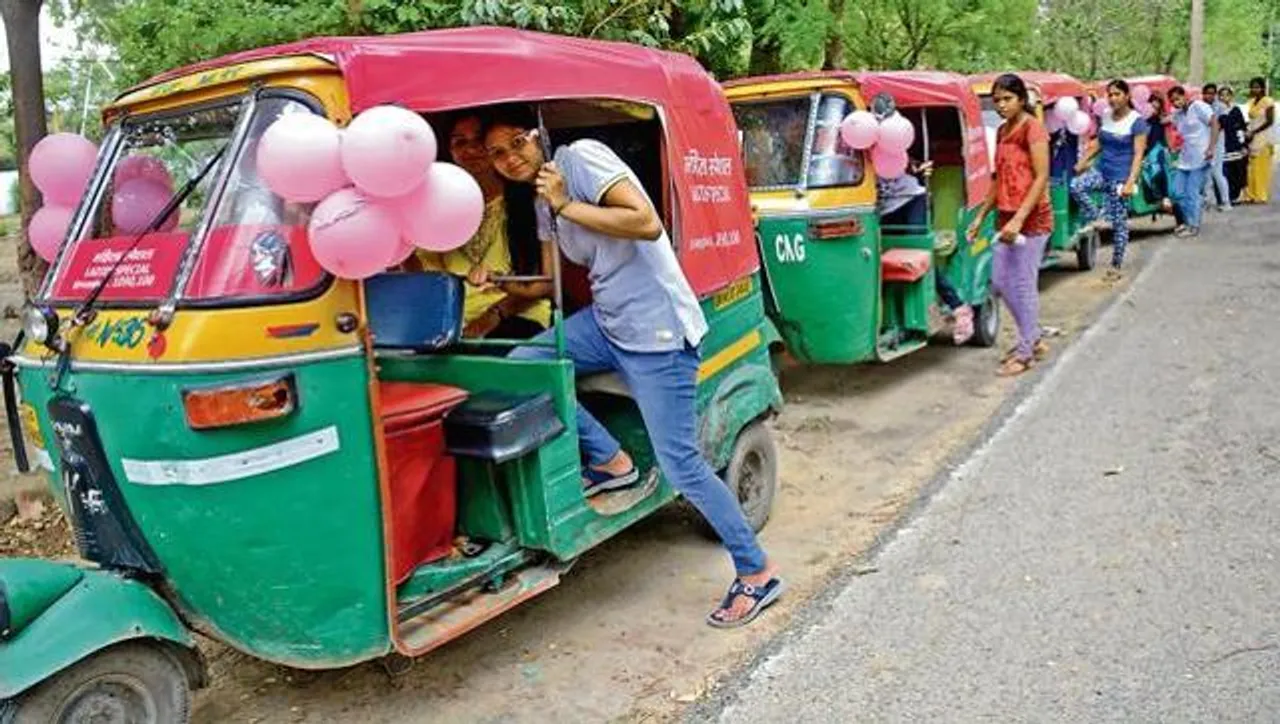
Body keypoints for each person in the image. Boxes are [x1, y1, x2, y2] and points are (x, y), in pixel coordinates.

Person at [484, 109, 783, 628]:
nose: (511, 158)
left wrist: (567, 203)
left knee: (682, 465)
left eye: (516, 143)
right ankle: (611, 460)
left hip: (657, 331)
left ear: (538, 136)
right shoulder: (543, 199)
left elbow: (645, 223)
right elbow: (550, 279)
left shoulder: (579, 160)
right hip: (607, 321)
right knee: (524, 365)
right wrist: (500, 286)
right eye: (497, 154)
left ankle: (757, 572)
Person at [413, 113, 552, 340]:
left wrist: (493, 315)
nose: (470, 150)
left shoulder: (529, 202)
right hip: (451, 324)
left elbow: (543, 284)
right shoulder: (438, 209)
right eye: (460, 142)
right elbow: (425, 278)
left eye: (478, 141)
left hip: (517, 318)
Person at [868, 93, 974, 345]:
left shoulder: (891, 133)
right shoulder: (857, 141)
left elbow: (906, 160)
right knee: (882, 262)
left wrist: (917, 168)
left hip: (910, 199)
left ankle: (959, 308)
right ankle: (891, 320)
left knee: (918, 254)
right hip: (881, 208)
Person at [968, 74, 1053, 377]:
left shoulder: (1034, 128)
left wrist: (1020, 219)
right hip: (1005, 216)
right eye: (998, 100)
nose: (1002, 105)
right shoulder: (1003, 131)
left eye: (1008, 99)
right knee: (1001, 281)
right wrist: (980, 217)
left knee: (1023, 283)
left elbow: (1042, 176)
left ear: (1021, 99)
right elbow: (997, 178)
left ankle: (1026, 351)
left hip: (1032, 218)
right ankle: (1034, 338)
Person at [1071, 79, 1148, 276]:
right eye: (1110, 95)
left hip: (1121, 178)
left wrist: (1130, 181)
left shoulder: (1137, 122)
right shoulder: (1106, 116)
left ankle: (1116, 264)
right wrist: (1084, 161)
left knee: (1119, 224)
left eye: (1117, 94)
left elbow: (1139, 154)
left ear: (1127, 96)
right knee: (1076, 186)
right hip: (1101, 170)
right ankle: (1096, 216)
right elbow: (1099, 142)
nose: (1113, 98)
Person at [1167, 85, 1218, 238]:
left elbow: (1215, 123)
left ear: (1185, 95)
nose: (1176, 102)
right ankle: (1189, 219)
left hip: (1201, 156)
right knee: (1176, 192)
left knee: (1191, 192)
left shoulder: (1198, 107)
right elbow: (1173, 129)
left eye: (1178, 98)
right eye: (1173, 101)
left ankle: (1193, 225)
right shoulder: (1178, 115)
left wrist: (1211, 148)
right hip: (1185, 158)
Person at [1199, 83, 1231, 212]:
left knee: (1217, 173)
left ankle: (1226, 201)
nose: (1209, 96)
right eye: (1206, 93)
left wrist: (1212, 146)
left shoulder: (1221, 107)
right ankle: (1207, 202)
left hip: (1217, 144)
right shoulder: (1200, 107)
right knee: (1206, 174)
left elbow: (1220, 126)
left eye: (1212, 93)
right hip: (1205, 144)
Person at [1243, 77, 1275, 204]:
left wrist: (1254, 132)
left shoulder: (1268, 101)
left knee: (1261, 167)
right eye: (1253, 87)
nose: (1255, 89)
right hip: (1251, 136)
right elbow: (1251, 120)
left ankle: (1261, 195)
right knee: (1250, 168)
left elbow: (1270, 121)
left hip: (1263, 136)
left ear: (1262, 87)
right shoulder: (1251, 102)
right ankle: (1250, 195)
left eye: (1257, 86)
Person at [1219, 86, 1249, 203]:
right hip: (1222, 144)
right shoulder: (1216, 111)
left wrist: (1244, 145)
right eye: (1221, 95)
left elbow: (1242, 127)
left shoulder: (1235, 109)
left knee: (1238, 170)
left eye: (1227, 94)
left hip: (1235, 143)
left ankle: (1237, 195)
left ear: (1231, 96)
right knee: (1226, 172)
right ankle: (1228, 196)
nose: (1224, 97)